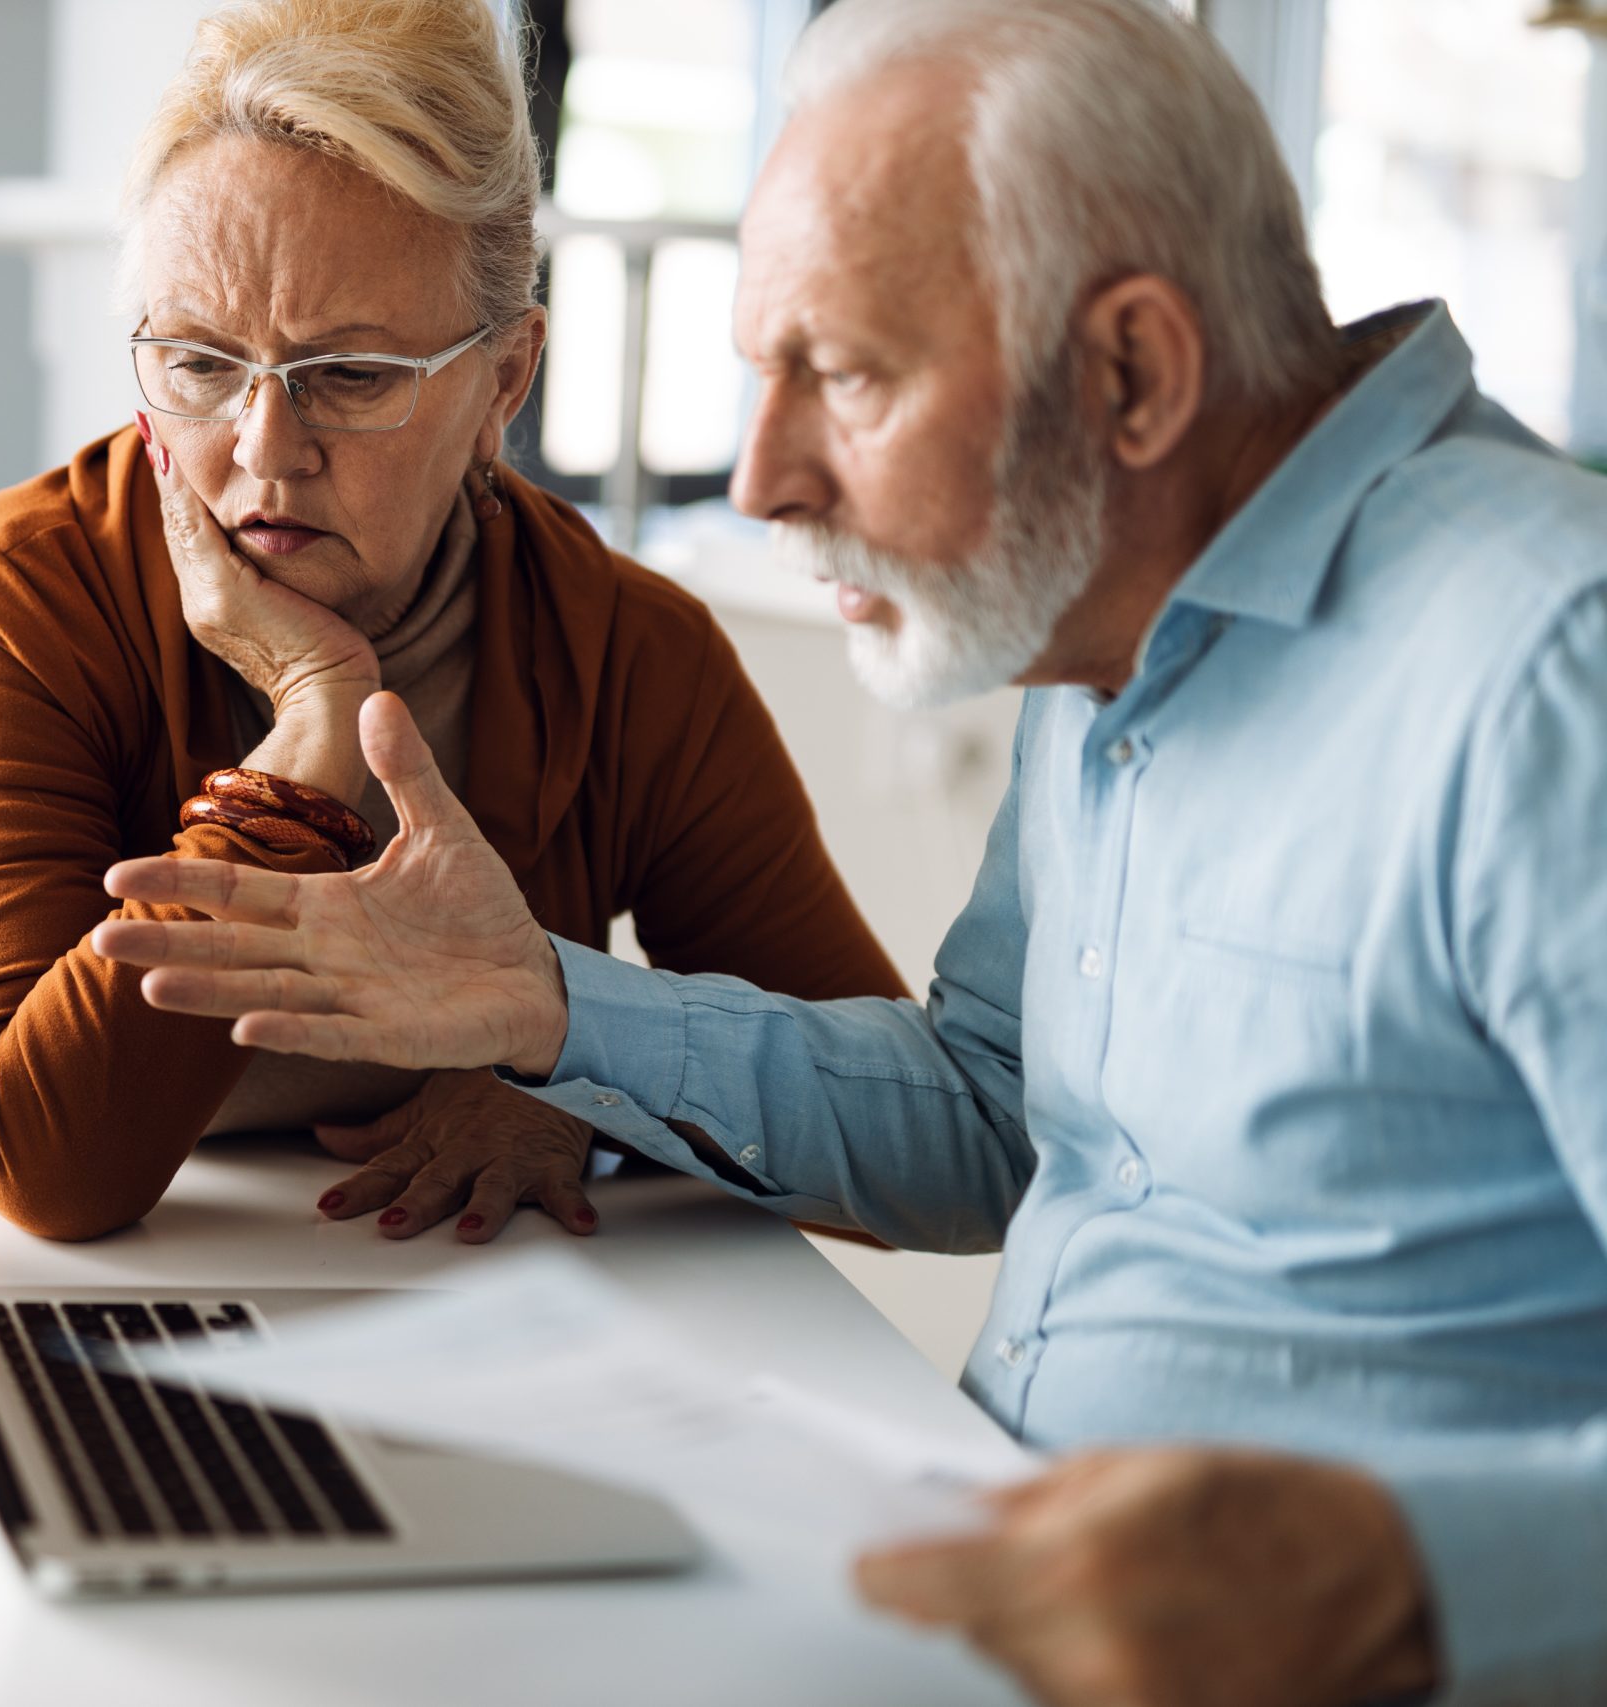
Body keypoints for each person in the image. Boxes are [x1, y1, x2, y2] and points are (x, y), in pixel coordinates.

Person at [90, 0, 1607, 1701]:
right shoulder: (1113, 610)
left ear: (1132, 373)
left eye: (849, 375)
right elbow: (994, 1118)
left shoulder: (1551, 673)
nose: (764, 478)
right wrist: (544, 1006)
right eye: (763, 372)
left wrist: (1405, 1577)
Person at [0, 0, 903, 1244]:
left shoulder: (627, 650)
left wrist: (588, 1094)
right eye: (201, 365)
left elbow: (894, 1143)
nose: (265, 453)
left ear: (503, 381)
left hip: (424, 1283)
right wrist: (312, 725)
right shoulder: (21, 590)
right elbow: (47, 1169)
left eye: (352, 376)